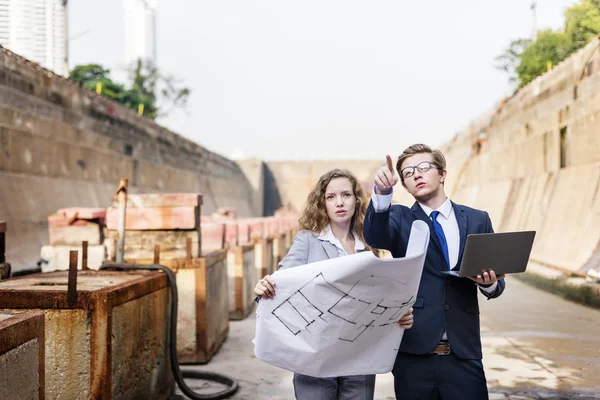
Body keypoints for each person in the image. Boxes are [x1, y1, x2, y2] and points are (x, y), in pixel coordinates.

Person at [254, 168, 414, 400]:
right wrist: (264, 290)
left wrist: (398, 314)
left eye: (346, 195)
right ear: (323, 203)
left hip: (360, 358)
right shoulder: (308, 240)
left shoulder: (369, 243)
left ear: (356, 200)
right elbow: (283, 283)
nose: (339, 202)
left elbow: (378, 296)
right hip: (315, 358)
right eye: (331, 197)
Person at [363, 144, 506, 400]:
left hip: (464, 354)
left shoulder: (477, 219)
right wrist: (382, 194)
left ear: (442, 174)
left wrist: (489, 284)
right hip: (414, 356)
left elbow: (497, 282)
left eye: (423, 167)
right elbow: (375, 235)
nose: (416, 174)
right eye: (408, 173)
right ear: (405, 186)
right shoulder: (399, 218)